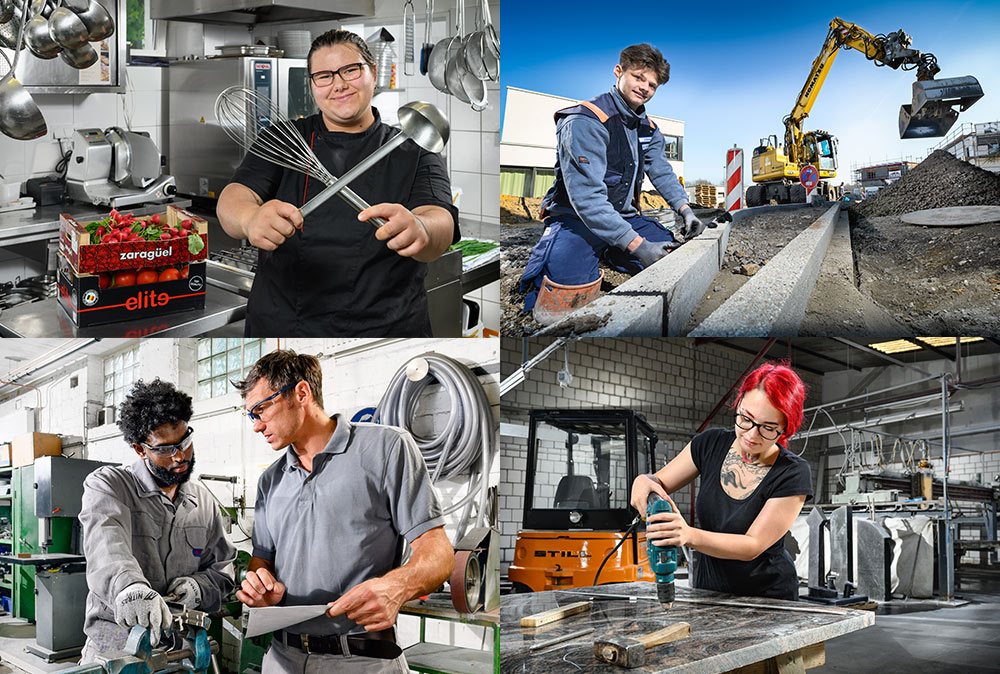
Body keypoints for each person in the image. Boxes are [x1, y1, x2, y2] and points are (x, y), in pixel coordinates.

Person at [217, 29, 460, 338]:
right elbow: (233, 199)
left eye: (351, 70)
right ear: (312, 86)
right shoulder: (283, 139)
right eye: (324, 76)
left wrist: (421, 229)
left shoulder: (413, 146)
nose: (339, 84)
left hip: (387, 327)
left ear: (373, 73)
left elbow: (440, 219)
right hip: (285, 326)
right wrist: (250, 219)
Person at [234, 350, 454, 673]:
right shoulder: (270, 481)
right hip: (283, 658)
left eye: (261, 409)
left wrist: (398, 586)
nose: (256, 426)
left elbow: (440, 553)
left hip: (363, 659)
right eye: (250, 415)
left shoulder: (387, 449)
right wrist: (259, 586)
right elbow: (261, 560)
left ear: (301, 393)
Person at [520, 43, 710, 324]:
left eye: (652, 85)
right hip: (576, 220)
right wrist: (638, 245)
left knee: (673, 259)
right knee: (559, 307)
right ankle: (602, 249)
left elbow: (661, 171)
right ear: (619, 72)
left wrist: (686, 210)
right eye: (638, 77)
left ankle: (612, 249)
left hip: (623, 218)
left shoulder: (649, 130)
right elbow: (587, 200)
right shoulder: (587, 120)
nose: (645, 87)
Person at [79, 379, 236, 662]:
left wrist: (199, 588)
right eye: (164, 449)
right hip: (115, 649)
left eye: (184, 441)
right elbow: (106, 545)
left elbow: (223, 572)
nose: (180, 456)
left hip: (181, 651)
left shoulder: (204, 502)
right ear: (140, 450)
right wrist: (129, 587)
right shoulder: (109, 485)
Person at [630, 363, 813, 600]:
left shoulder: (793, 472)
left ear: (786, 429)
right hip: (709, 591)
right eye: (745, 419)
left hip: (768, 598)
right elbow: (658, 481)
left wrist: (687, 535)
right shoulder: (710, 444)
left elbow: (752, 545)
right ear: (738, 406)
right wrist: (642, 481)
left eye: (768, 428)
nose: (751, 435)